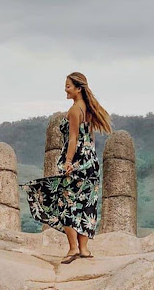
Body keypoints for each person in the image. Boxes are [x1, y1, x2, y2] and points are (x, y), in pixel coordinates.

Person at [19, 72, 112, 264]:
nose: (65, 89)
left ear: (78, 88)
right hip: (90, 161)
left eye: (68, 86)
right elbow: (90, 138)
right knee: (86, 204)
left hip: (76, 161)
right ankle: (84, 249)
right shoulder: (89, 109)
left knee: (65, 203)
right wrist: (88, 158)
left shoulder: (74, 110)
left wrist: (68, 162)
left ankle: (73, 248)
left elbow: (73, 139)